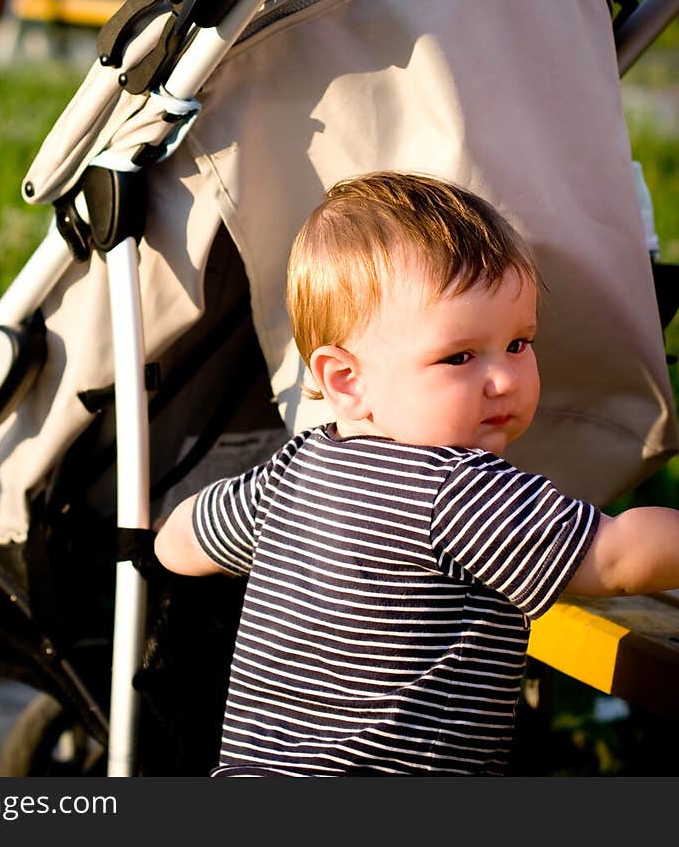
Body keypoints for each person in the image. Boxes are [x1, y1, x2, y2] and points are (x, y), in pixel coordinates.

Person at [154, 171, 679, 776]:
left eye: (519, 343)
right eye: (459, 356)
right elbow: (614, 559)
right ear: (348, 380)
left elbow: (186, 537)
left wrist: (161, 531)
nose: (506, 377)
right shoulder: (458, 488)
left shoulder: (292, 472)